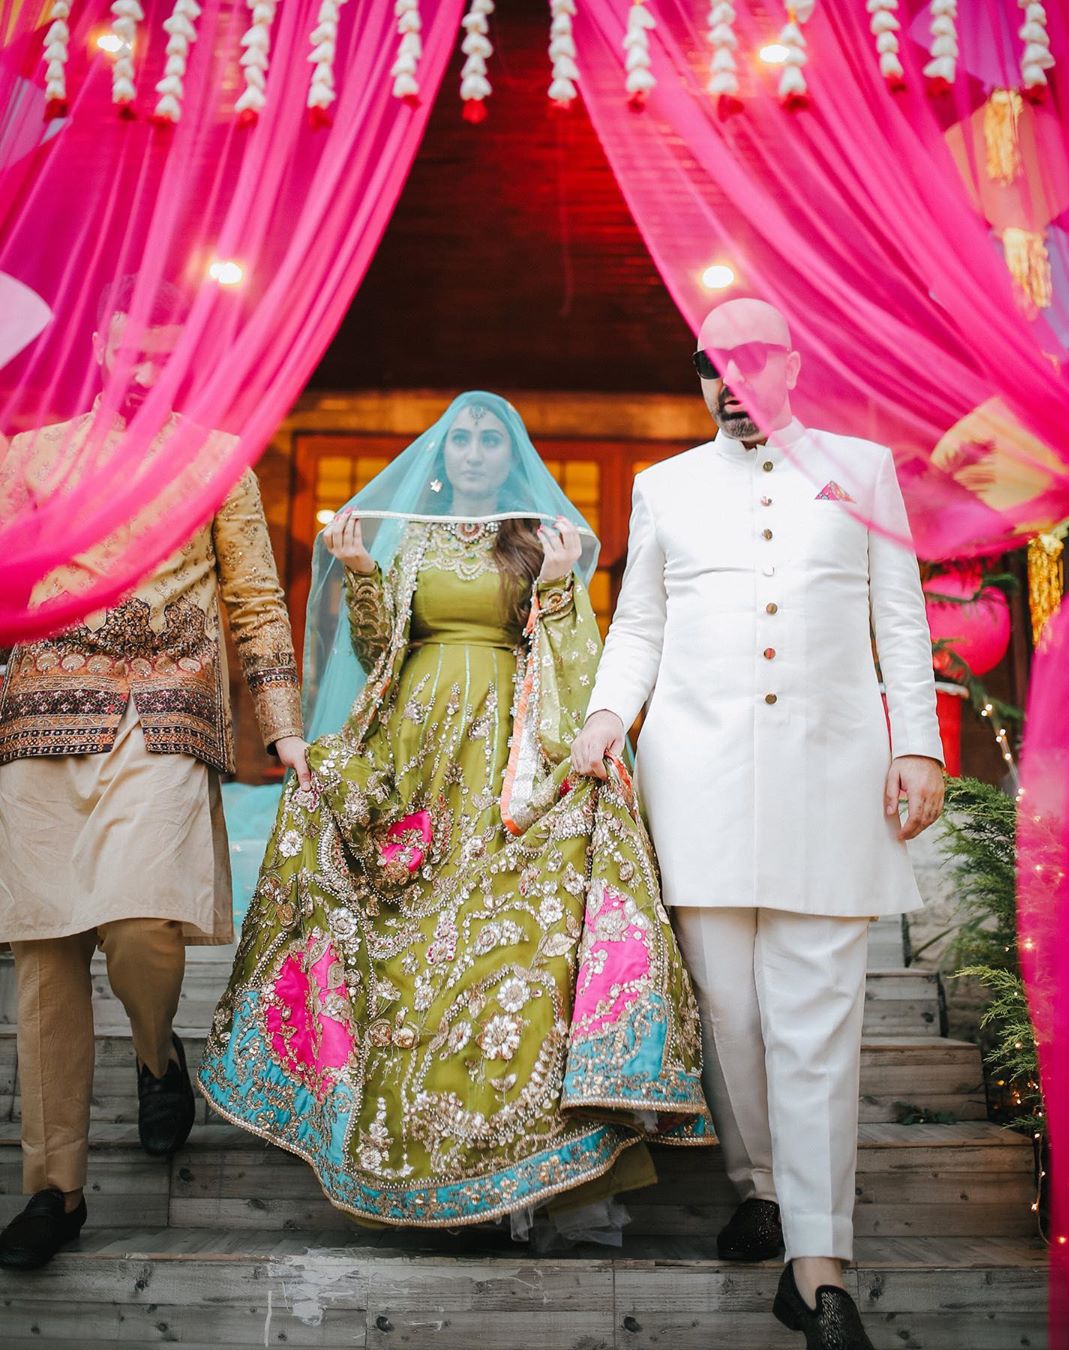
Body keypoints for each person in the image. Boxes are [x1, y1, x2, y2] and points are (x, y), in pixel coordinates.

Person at [198, 391, 714, 1231]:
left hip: (509, 750)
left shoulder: (540, 541)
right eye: (461, 438)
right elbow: (377, 652)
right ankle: (378, 1136)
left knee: (510, 939)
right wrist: (364, 579)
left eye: (489, 439)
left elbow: (581, 658)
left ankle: (523, 1152)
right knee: (393, 925)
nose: (472, 450)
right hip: (416, 749)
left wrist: (554, 589)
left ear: (509, 456)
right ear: (445, 456)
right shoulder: (416, 540)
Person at [572, 299, 944, 1349]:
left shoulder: (865, 471)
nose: (729, 384)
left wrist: (916, 744)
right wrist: (609, 714)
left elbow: (900, 620)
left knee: (816, 1024)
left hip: (835, 783)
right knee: (731, 1017)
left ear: (792, 365)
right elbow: (639, 620)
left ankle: (820, 1268)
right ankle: (762, 1186)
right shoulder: (665, 487)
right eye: (710, 366)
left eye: (748, 363)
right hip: (697, 784)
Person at [0, 277, 306, 1270]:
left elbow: (256, 601)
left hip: (163, 719)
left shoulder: (219, 462)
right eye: (127, 353)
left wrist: (286, 728)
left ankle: (157, 1051)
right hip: (41, 721)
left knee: (139, 928)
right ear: (99, 345)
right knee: (45, 967)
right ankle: (56, 1191)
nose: (140, 372)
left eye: (161, 358)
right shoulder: (30, 456)